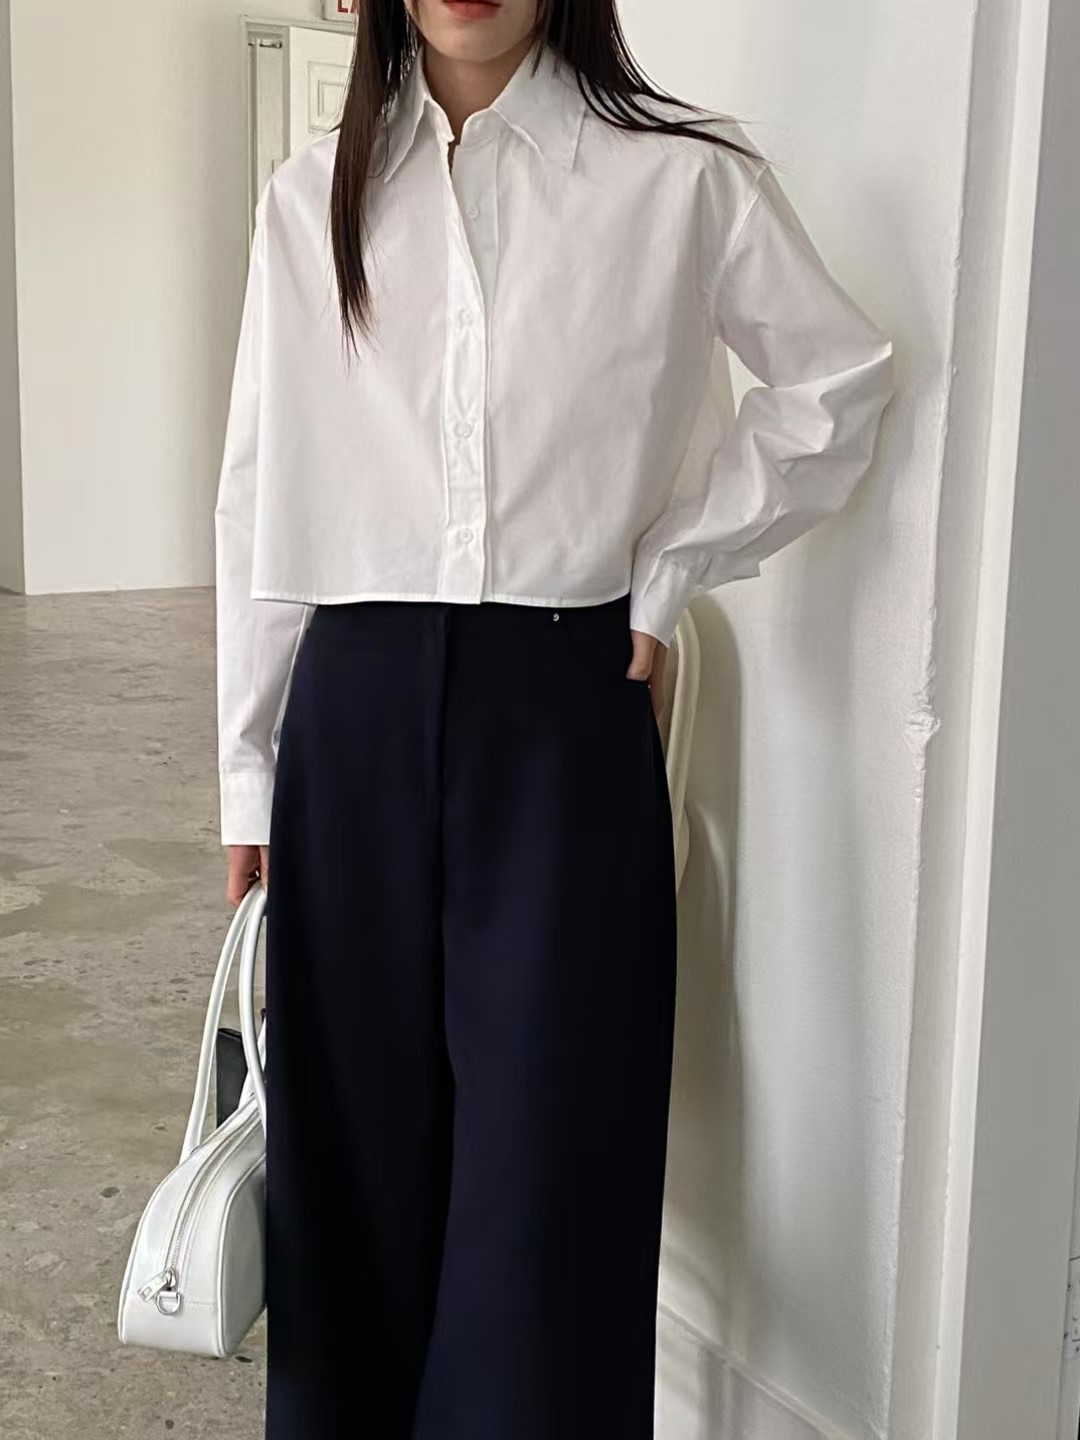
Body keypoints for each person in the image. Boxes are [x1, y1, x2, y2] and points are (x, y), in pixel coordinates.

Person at [213, 1, 894, 1435]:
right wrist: (247, 774)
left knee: (554, 1154)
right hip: (351, 712)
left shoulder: (683, 178)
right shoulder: (308, 197)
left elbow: (838, 382)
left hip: (564, 704)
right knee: (347, 1159)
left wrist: (676, 566)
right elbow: (259, 495)